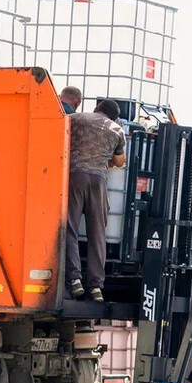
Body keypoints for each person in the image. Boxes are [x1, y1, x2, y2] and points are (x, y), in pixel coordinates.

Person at [66, 99, 126, 302]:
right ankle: (96, 287)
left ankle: (75, 279)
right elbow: (119, 162)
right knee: (98, 235)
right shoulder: (117, 130)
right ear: (114, 117)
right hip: (98, 181)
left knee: (70, 230)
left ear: (96, 109)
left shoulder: (75, 118)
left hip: (74, 177)